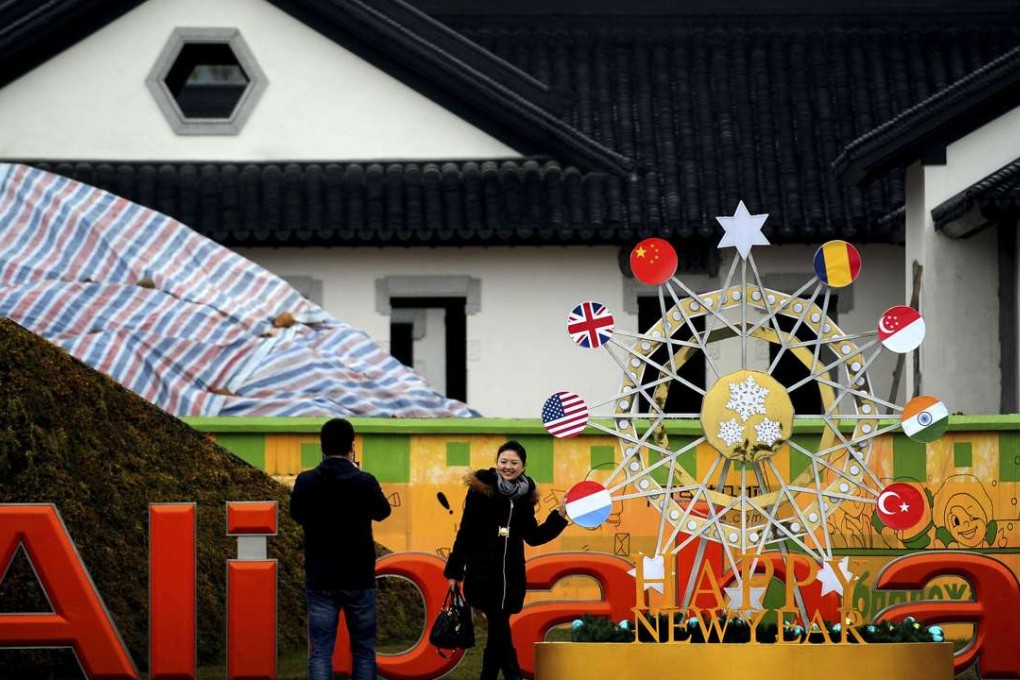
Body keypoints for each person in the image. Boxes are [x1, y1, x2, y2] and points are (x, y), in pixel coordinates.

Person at [444, 440, 568, 680]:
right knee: (499, 626)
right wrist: (454, 571)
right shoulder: (481, 490)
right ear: (496, 463)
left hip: (510, 577)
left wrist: (560, 516)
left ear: (523, 467)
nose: (508, 467)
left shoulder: (525, 497)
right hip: (483, 574)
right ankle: (513, 675)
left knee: (497, 632)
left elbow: (533, 536)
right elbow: (466, 531)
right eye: (503, 462)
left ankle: (489, 676)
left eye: (514, 463)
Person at [290, 418, 392, 680]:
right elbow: (383, 512)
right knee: (364, 650)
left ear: (321, 447)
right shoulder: (365, 481)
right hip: (359, 578)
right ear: (352, 446)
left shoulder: (306, 481)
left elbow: (297, 514)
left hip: (321, 578)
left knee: (321, 651)